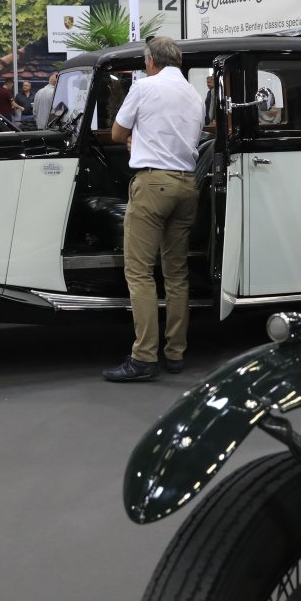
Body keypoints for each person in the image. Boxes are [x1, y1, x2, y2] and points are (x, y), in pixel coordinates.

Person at [102, 37, 205, 382]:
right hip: (187, 185)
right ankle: (175, 353)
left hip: (153, 185)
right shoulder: (194, 95)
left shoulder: (144, 88)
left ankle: (144, 357)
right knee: (176, 274)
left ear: (150, 61)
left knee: (140, 272)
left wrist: (136, 138)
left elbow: (117, 133)